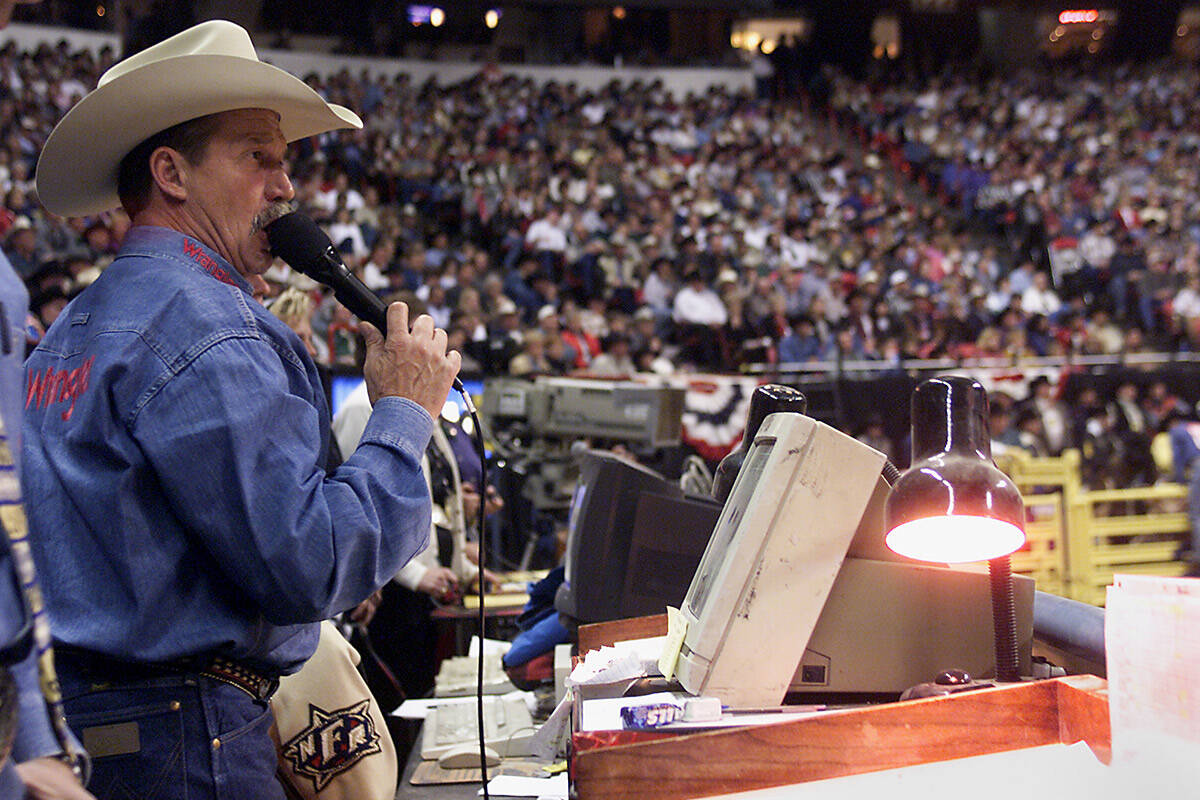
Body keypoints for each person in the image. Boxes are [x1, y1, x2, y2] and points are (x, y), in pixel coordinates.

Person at [24, 21, 459, 800]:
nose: (285, 187)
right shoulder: (207, 327)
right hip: (190, 736)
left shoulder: (74, 328)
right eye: (257, 156)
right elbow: (310, 562)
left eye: (283, 162)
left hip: (98, 725)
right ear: (172, 173)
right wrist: (399, 414)